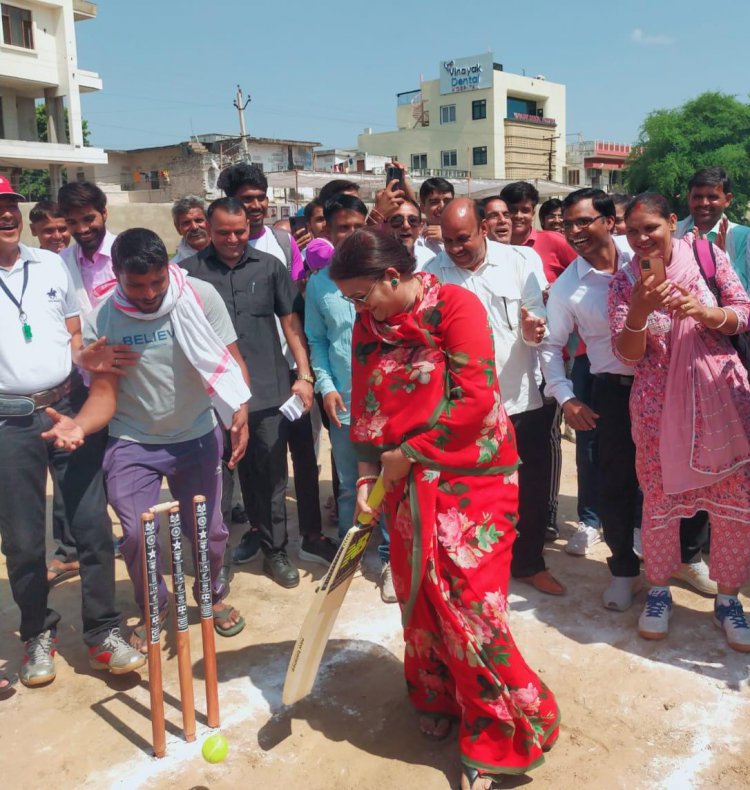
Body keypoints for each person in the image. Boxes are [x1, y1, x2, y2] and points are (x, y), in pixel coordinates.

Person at [331, 227, 559, 788]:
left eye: (363, 296)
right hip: (402, 478)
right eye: (351, 300)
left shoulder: (455, 306)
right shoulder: (371, 321)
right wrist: (366, 472)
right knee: (420, 593)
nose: (359, 309)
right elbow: (365, 396)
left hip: (471, 474)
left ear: (394, 276)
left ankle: (505, 719)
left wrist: (408, 453)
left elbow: (476, 397)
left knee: (470, 604)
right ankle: (436, 692)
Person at [44, 227, 251, 647]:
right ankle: (154, 606)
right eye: (136, 285)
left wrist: (239, 413)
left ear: (168, 268)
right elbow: (103, 395)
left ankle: (211, 596)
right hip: (133, 443)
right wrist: (79, 425)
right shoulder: (104, 317)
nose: (150, 292)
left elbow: (230, 362)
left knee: (209, 532)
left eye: (157, 281)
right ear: (116, 273)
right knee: (138, 536)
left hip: (196, 434)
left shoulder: (199, 297)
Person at [0, 178, 145, 685]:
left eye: (10, 205)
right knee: (20, 540)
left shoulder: (50, 264)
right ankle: (37, 633)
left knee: (89, 525)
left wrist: (89, 359)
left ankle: (103, 632)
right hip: (8, 421)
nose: (6, 215)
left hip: (67, 404)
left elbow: (73, 336)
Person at [540, 189, 713, 611]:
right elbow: (550, 347)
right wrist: (567, 398)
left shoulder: (644, 248)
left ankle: (686, 558)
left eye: (583, 221)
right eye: (567, 224)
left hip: (676, 384)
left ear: (608, 222)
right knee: (615, 484)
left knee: (686, 476)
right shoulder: (568, 289)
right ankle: (623, 569)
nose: (575, 232)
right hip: (614, 391)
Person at [610, 192, 750, 650]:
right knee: (659, 500)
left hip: (720, 400)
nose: (641, 239)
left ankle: (728, 600)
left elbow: (743, 312)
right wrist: (638, 311)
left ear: (673, 222)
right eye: (631, 231)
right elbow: (627, 355)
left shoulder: (708, 256)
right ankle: (658, 592)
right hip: (657, 409)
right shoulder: (625, 280)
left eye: (649, 227)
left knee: (732, 502)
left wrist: (706, 313)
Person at [426, 199, 563, 595]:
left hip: (520, 399)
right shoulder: (432, 275)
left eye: (463, 239)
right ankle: (478, 569)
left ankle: (530, 563)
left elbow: (537, 322)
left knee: (529, 489)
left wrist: (533, 329)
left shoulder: (521, 261)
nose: (455, 248)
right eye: (449, 240)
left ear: (484, 228)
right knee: (472, 493)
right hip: (464, 407)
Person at [182, 198, 314, 588]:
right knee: (216, 481)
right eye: (224, 232)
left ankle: (274, 550)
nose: (234, 239)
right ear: (208, 227)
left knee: (270, 476)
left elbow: (291, 327)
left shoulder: (270, 267)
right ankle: (216, 561)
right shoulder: (187, 274)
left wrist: (303, 376)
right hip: (212, 399)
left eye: (240, 231)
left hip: (268, 390)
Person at [305, 194, 396, 601]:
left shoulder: (388, 277)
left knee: (390, 482)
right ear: (328, 229)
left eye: (358, 226)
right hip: (344, 399)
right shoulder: (320, 284)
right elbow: (318, 340)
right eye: (343, 227)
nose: (351, 234)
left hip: (391, 401)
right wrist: (324, 386)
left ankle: (393, 559)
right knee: (348, 484)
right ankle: (350, 553)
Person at [500, 181, 576, 539]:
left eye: (524, 209)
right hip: (509, 365)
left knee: (545, 439)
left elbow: (583, 276)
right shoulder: (489, 250)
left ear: (533, 211)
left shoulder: (552, 243)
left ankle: (546, 512)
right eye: (510, 210)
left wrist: (555, 296)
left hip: (549, 358)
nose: (516, 217)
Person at [675, 166, 750, 290]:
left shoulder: (744, 238)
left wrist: (721, 259)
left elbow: (745, 294)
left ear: (727, 199)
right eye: (698, 197)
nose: (704, 203)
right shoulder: (673, 233)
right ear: (689, 198)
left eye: (712, 197)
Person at [385, 198, 435, 270]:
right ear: (386, 225)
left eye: (412, 220)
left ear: (420, 227)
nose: (406, 226)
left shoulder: (431, 259)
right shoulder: (375, 260)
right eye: (398, 220)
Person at [416, 176, 454, 257]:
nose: (442, 206)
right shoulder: (416, 241)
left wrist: (447, 239)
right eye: (434, 202)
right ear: (422, 207)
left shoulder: (469, 234)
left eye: (447, 201)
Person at [170, 195, 210, 263]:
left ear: (210, 222)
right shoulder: (176, 268)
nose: (194, 227)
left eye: (199, 220)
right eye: (186, 223)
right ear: (178, 228)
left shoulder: (228, 256)